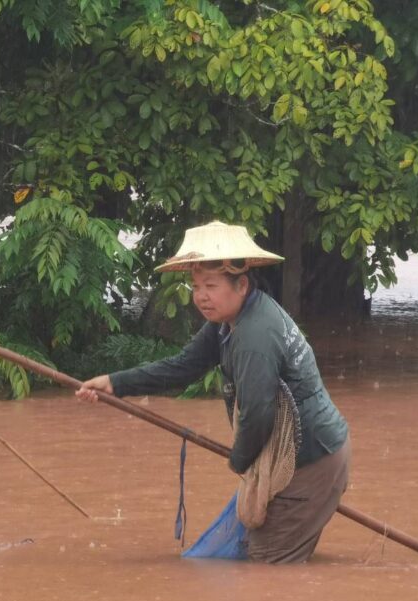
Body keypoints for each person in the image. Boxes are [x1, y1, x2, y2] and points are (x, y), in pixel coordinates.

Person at [76, 221, 350, 564]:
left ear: (241, 285)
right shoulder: (227, 322)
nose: (201, 296)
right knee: (273, 560)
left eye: (211, 285)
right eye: (195, 286)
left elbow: (258, 414)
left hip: (312, 461)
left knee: (267, 569)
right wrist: (116, 383)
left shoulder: (254, 338)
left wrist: (239, 462)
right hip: (295, 456)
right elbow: (183, 367)